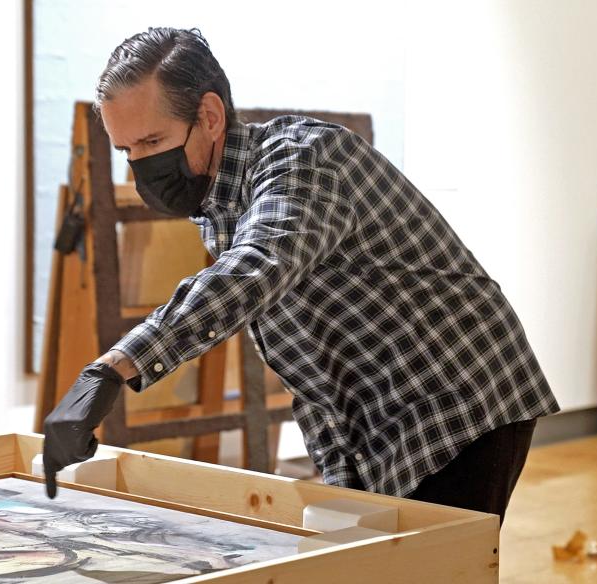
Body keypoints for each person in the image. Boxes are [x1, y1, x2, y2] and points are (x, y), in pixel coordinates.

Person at [43, 27, 559, 527]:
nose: (141, 165)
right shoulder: (218, 205)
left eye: (153, 140)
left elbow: (256, 269)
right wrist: (339, 475)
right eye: (127, 151)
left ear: (210, 115)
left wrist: (115, 367)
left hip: (456, 398)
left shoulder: (304, 160)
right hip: (381, 413)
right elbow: (310, 362)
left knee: (440, 569)